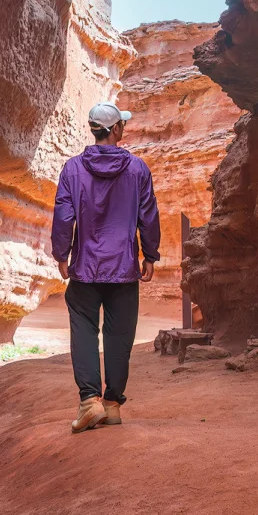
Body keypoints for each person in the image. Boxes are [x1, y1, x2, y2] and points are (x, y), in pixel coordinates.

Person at [51, 100, 161, 433]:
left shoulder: (72, 169)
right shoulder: (138, 169)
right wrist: (150, 256)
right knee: (119, 335)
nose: (123, 128)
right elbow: (149, 216)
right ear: (115, 130)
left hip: (85, 267)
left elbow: (63, 215)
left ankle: (89, 402)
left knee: (84, 329)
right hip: (124, 268)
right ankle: (111, 404)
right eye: (122, 125)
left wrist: (62, 254)